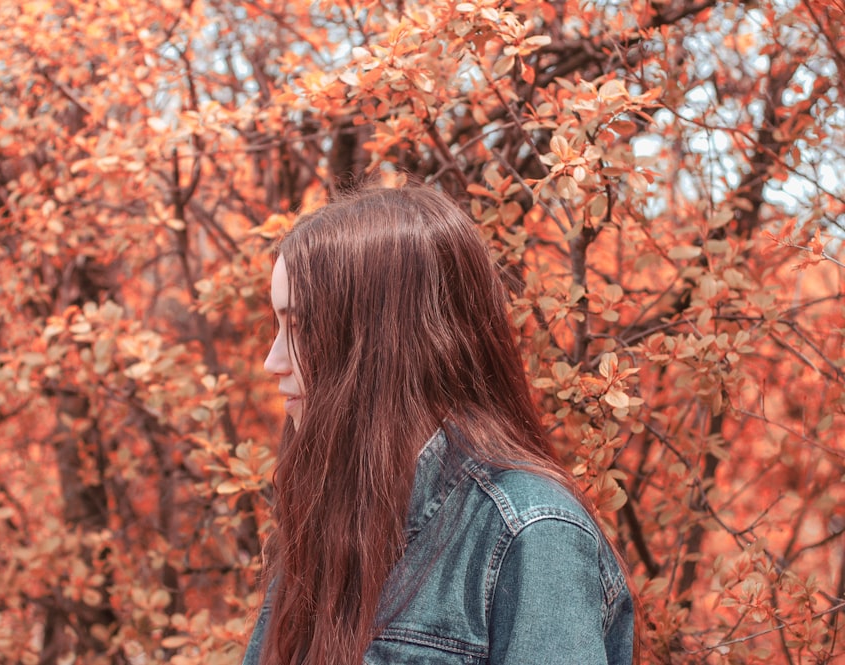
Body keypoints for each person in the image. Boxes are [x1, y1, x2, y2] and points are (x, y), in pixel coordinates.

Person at [243, 186, 635, 665]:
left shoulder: (531, 533)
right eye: (277, 326)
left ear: (384, 341)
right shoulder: (331, 514)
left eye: (300, 326)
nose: (272, 361)